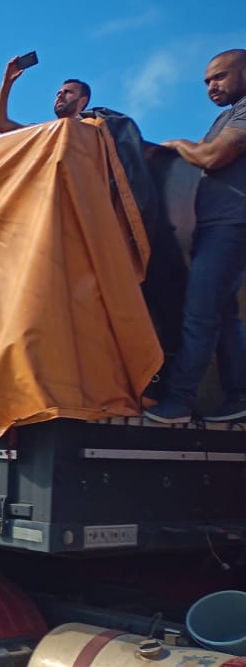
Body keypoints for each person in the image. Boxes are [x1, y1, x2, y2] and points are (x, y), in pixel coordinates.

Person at [144, 49, 246, 424]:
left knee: (199, 316)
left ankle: (180, 402)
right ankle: (239, 395)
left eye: (219, 77)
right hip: (218, 226)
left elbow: (212, 157)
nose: (211, 86)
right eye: (206, 81)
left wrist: (175, 145)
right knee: (223, 316)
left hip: (231, 226)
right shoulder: (227, 115)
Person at [0, 60, 91, 132]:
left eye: (68, 92)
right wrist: (7, 83)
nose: (60, 96)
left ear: (83, 101)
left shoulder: (93, 132)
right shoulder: (42, 132)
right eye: (58, 93)